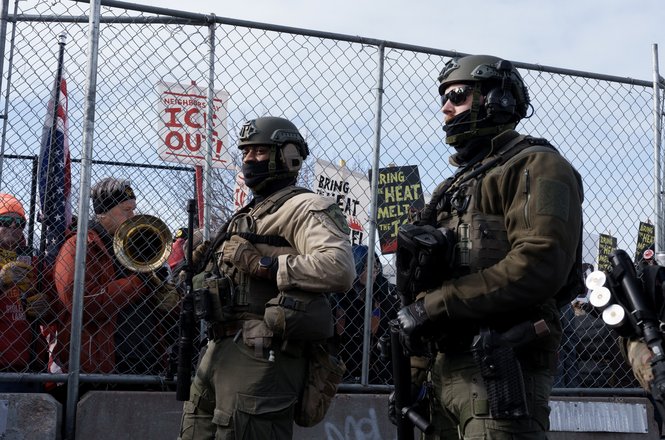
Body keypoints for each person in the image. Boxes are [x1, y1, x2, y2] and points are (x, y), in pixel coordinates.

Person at [394, 54, 584, 438]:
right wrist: (411, 373)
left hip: (502, 366)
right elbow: (421, 287)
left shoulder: (537, 166)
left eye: (459, 95)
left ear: (498, 99)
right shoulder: (450, 188)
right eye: (443, 98)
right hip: (443, 369)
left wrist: (434, 305)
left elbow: (539, 263)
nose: (446, 108)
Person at [178, 116, 355, 440]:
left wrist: (264, 263)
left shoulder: (306, 207)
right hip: (218, 349)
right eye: (246, 152)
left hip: (261, 353)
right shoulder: (249, 213)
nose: (248, 159)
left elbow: (339, 267)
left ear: (288, 157)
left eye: (259, 151)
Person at [54, 178, 177, 376]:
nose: (133, 215)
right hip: (98, 367)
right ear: (103, 213)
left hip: (145, 360)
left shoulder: (136, 245)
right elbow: (81, 303)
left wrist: (163, 292)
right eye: (126, 210)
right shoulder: (79, 245)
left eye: (133, 209)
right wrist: (140, 282)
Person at [332, 244, 398, 384]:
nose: (374, 270)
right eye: (368, 265)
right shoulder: (337, 300)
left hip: (376, 374)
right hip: (341, 373)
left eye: (376, 266)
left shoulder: (386, 302)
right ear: (355, 265)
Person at [0, 193, 47, 391]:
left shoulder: (33, 261)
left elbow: (52, 310)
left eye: (19, 222)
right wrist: (1, 282)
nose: (13, 226)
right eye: (6, 220)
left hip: (31, 361)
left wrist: (45, 308)